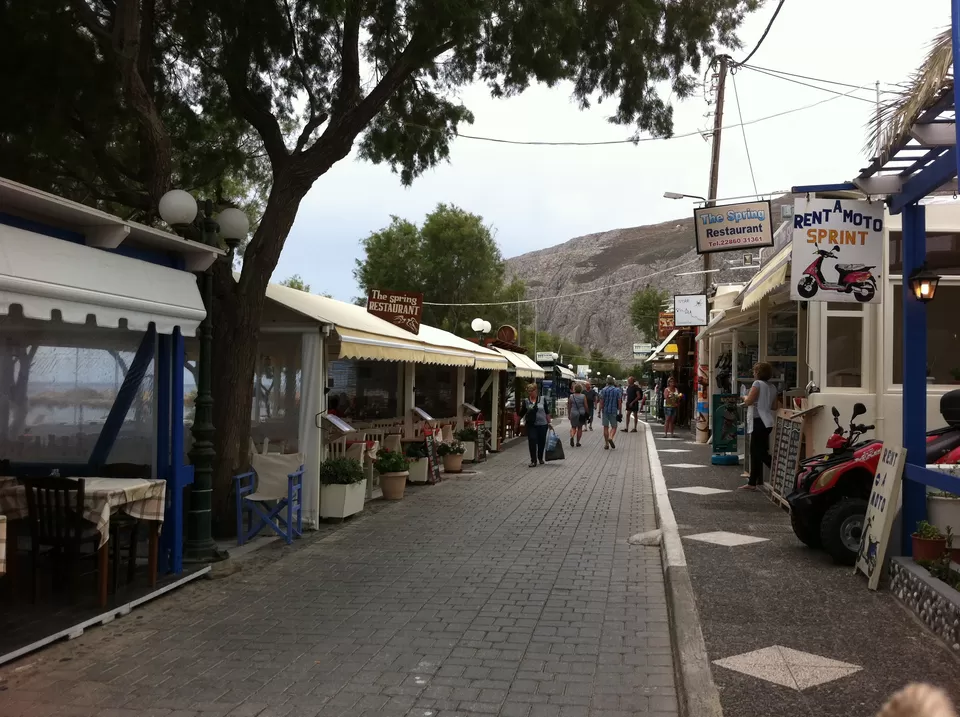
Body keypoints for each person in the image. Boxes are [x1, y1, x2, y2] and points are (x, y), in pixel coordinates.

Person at [741, 362, 777, 490]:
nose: (753, 373)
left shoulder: (757, 384)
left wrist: (744, 397)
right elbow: (774, 406)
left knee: (759, 452)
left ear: (758, 373)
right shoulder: (772, 387)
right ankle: (752, 482)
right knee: (755, 451)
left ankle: (778, 469)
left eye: (755, 371)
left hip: (758, 421)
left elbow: (749, 401)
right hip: (768, 422)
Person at [518, 382, 551, 467]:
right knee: (532, 440)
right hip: (531, 425)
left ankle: (540, 457)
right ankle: (533, 460)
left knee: (541, 442)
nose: (530, 393)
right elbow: (522, 413)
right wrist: (516, 423)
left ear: (536, 390)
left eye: (531, 391)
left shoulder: (542, 399)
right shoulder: (526, 401)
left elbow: (547, 412)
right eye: (528, 391)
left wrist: (549, 422)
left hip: (543, 425)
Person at [598, 376, 622, 450]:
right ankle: (611, 437)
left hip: (605, 411)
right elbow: (619, 401)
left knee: (605, 427)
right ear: (613, 382)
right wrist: (620, 411)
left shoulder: (603, 390)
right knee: (614, 426)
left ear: (607, 382)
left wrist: (599, 411)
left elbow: (601, 402)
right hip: (614, 410)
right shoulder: (617, 390)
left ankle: (606, 444)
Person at [567, 383, 587, 448]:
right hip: (581, 413)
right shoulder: (583, 396)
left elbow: (569, 406)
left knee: (573, 427)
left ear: (574, 389)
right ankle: (578, 442)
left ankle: (572, 436)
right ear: (581, 389)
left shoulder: (571, 396)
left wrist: (569, 414)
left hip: (573, 413)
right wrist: (587, 413)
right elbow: (586, 406)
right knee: (580, 428)